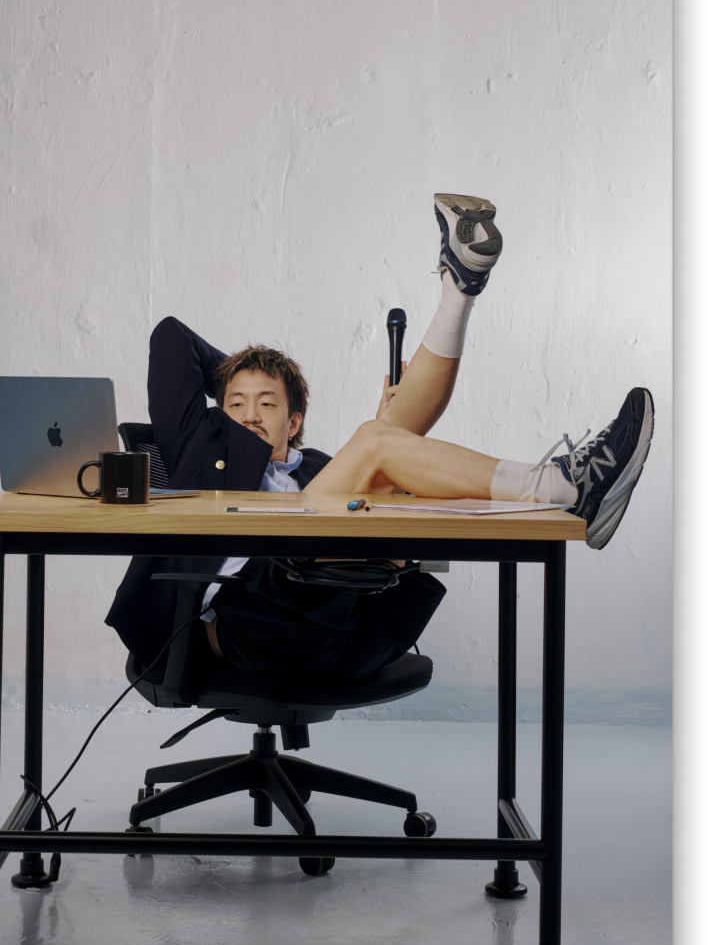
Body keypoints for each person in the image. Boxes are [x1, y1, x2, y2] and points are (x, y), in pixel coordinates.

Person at [105, 195, 654, 679]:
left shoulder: (316, 468)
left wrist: (376, 448)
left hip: (330, 620)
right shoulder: (194, 447)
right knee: (376, 440)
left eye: (268, 404)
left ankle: (459, 289)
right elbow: (171, 336)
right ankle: (560, 486)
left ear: (294, 420)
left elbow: (364, 462)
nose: (250, 414)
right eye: (236, 405)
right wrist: (244, 377)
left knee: (383, 438)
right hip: (239, 625)